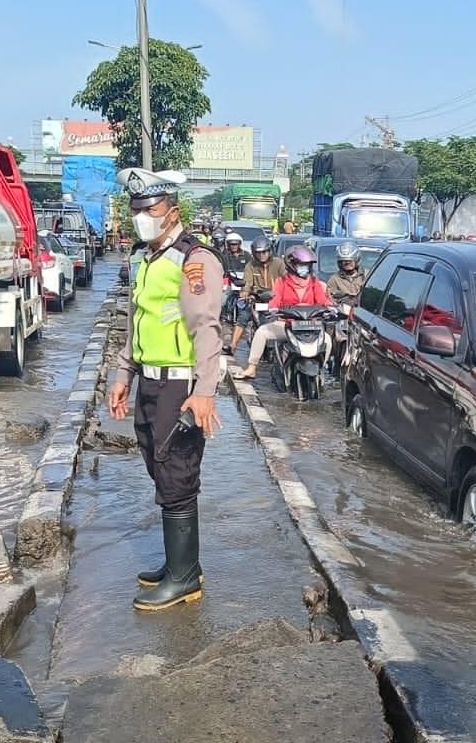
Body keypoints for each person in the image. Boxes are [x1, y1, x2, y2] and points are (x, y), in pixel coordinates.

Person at [106, 166, 225, 612]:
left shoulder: (193, 259)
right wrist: (123, 376)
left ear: (172, 212)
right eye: (135, 209)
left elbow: (206, 329)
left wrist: (205, 391)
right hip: (149, 380)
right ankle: (181, 562)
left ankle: (184, 577)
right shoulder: (143, 258)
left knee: (176, 471)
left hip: (181, 385)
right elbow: (137, 324)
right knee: (158, 465)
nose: (141, 216)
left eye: (149, 209)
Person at [237, 246, 331, 380]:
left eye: (307, 265)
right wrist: (273, 309)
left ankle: (321, 370)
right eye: (301, 265)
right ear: (292, 265)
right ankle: (252, 368)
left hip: (311, 327)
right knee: (261, 333)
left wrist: (331, 308)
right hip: (286, 325)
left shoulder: (315, 283)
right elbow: (275, 300)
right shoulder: (281, 282)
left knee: (327, 340)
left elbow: (323, 300)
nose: (304, 268)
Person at [233, 236, 284, 353]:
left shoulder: (279, 263)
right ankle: (233, 344)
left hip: (275, 298)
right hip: (257, 298)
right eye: (258, 252)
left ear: (270, 251)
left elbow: (286, 279)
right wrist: (245, 291)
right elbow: (247, 282)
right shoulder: (250, 265)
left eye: (264, 252)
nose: (262, 255)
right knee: (243, 315)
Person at [326, 241, 365, 308]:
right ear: (340, 263)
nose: (347, 263)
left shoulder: (365, 276)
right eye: (344, 261)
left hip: (361, 312)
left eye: (350, 261)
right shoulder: (334, 279)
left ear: (357, 261)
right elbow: (330, 299)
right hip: (343, 313)